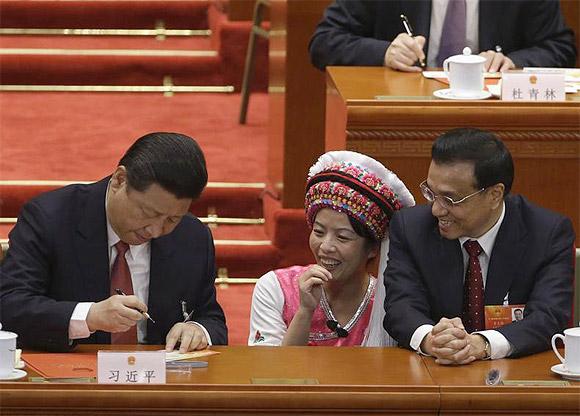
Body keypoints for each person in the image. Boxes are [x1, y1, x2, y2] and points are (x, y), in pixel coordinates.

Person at [0, 132, 227, 352]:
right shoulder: (50, 218)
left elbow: (211, 318)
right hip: (71, 379)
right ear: (120, 180)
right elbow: (11, 304)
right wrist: (90, 316)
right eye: (147, 212)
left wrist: (198, 330)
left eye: (172, 219)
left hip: (160, 381)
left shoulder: (192, 236)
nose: (156, 230)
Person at [384, 128, 574, 364]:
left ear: (495, 195)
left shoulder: (546, 233)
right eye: (431, 193)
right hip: (433, 373)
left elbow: (549, 316)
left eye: (450, 199)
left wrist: (482, 344)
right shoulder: (411, 228)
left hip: (512, 379)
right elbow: (400, 306)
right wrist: (431, 339)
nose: (436, 209)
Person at [248, 151, 415, 346]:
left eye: (342, 237)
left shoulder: (389, 303)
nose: (325, 247)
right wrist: (304, 312)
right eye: (319, 232)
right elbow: (271, 372)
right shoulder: (275, 288)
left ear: (373, 248)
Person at [309, 0, 576, 72]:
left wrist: (512, 63)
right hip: (406, 110)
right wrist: (385, 53)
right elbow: (324, 42)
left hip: (492, 116)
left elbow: (560, 46)